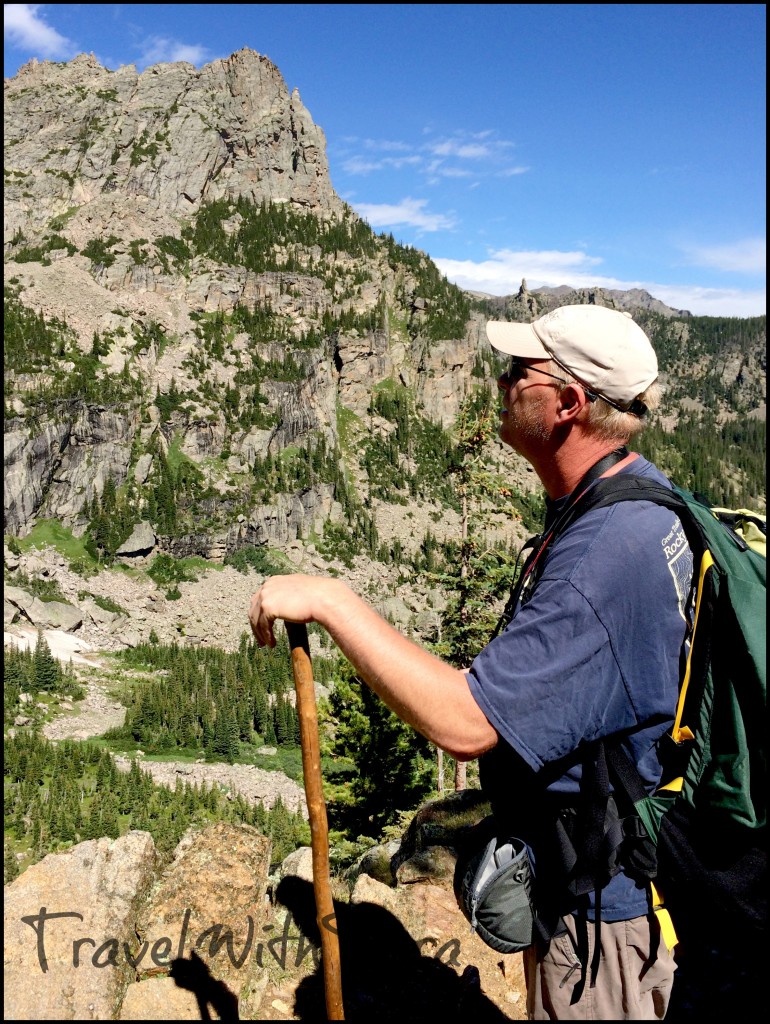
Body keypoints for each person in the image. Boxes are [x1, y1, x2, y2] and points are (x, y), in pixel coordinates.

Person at [249, 304, 692, 1020]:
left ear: (569, 404)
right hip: (592, 873)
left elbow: (465, 722)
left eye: (521, 371)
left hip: (605, 915)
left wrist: (332, 601)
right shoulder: (633, 497)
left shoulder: (605, 556)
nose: (500, 381)